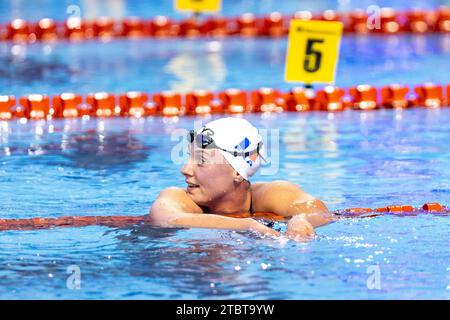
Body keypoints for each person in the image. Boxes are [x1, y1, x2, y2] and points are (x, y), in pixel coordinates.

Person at [149, 117, 333, 241]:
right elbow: (166, 218)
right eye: (188, 158)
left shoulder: (272, 195)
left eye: (201, 160)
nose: (185, 169)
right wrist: (247, 225)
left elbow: (321, 213)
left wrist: (300, 219)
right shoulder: (178, 198)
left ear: (238, 172)